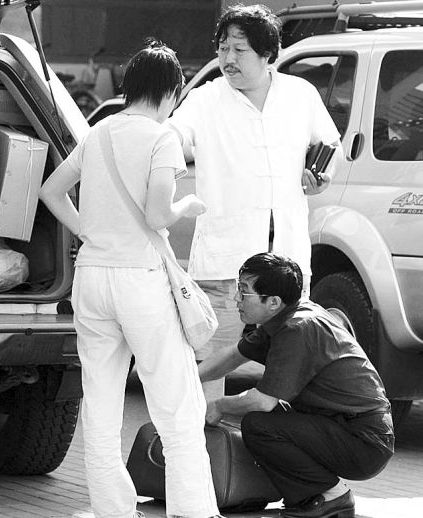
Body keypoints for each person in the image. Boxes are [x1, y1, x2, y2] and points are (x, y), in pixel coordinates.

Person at [39, 41, 221, 518]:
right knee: (177, 408)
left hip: (92, 278)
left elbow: (51, 191)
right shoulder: (162, 138)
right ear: (172, 91)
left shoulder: (98, 132)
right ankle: (192, 512)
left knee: (101, 410)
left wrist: (86, 230)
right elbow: (159, 214)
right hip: (140, 281)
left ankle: (113, 511)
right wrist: (188, 205)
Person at [167, 4, 344, 402]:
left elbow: (330, 145)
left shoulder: (300, 95)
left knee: (294, 361)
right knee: (209, 361)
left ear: (267, 54)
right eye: (222, 48)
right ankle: (203, 437)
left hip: (287, 262)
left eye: (239, 49)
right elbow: (172, 137)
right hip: (224, 261)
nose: (228, 58)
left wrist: (321, 177)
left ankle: (283, 435)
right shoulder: (206, 99)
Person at [199, 253, 394, 518]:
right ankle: (307, 496)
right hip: (344, 427)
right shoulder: (284, 317)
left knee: (260, 425)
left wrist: (220, 406)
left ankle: (332, 496)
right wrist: (188, 379)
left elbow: (262, 401)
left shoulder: (297, 328)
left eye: (244, 291)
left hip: (363, 440)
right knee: (269, 419)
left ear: (273, 302)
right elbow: (233, 356)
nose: (236, 298)